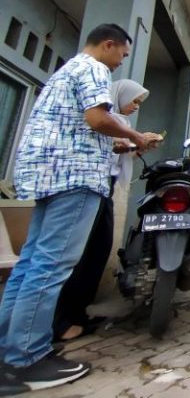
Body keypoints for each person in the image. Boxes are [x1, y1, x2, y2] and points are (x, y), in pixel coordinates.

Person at [0, 24, 151, 396]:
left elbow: (78, 129)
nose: (120, 63)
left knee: (32, 262)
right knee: (51, 265)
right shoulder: (94, 68)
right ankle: (26, 360)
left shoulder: (64, 72)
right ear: (109, 45)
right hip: (75, 177)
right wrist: (136, 136)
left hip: (48, 173)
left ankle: (7, 351)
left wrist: (119, 145)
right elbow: (97, 119)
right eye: (122, 55)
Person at [53, 79, 161, 343]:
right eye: (134, 100)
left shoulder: (118, 121)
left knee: (98, 250)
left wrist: (138, 144)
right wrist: (136, 140)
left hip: (104, 187)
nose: (135, 106)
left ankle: (78, 315)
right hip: (88, 186)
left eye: (138, 102)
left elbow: (120, 153)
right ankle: (61, 322)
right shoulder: (102, 118)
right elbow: (109, 147)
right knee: (78, 253)